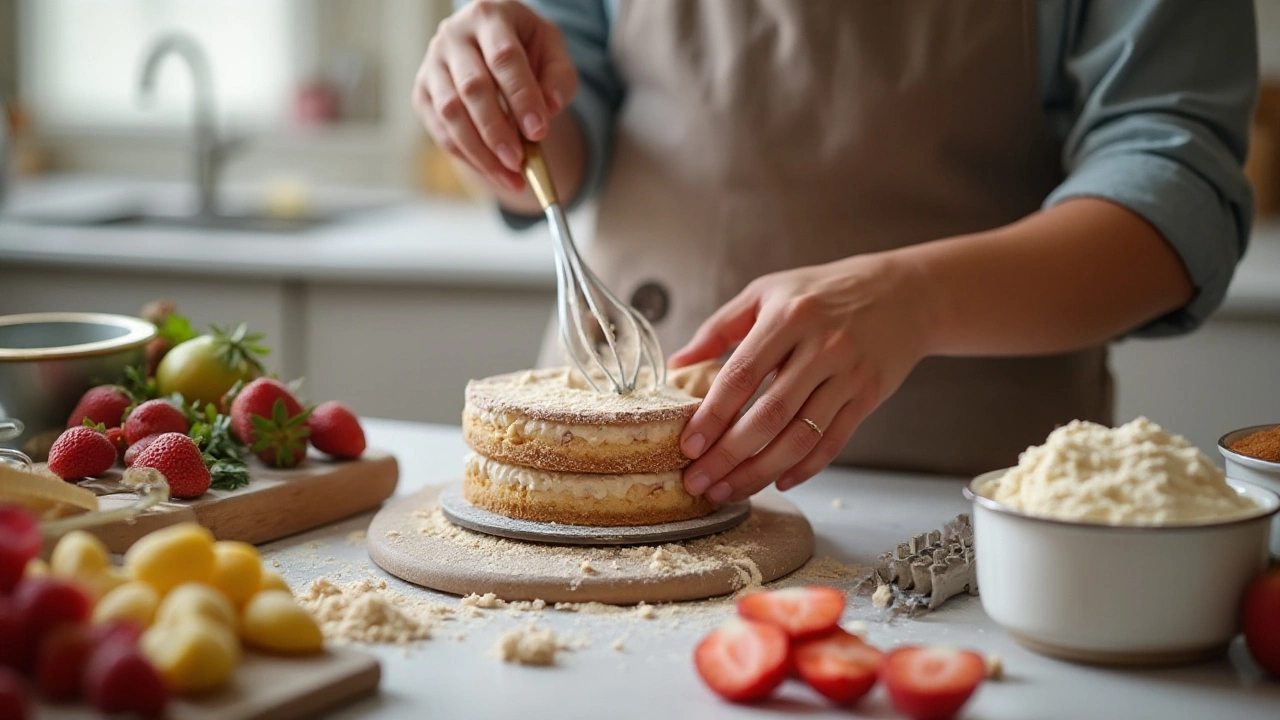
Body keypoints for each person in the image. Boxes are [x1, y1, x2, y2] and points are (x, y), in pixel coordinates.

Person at [413, 0, 1258, 504]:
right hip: (603, 480)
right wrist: (487, 98)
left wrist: (919, 297)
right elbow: (556, 141)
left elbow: (1177, 193)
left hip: (965, 503)